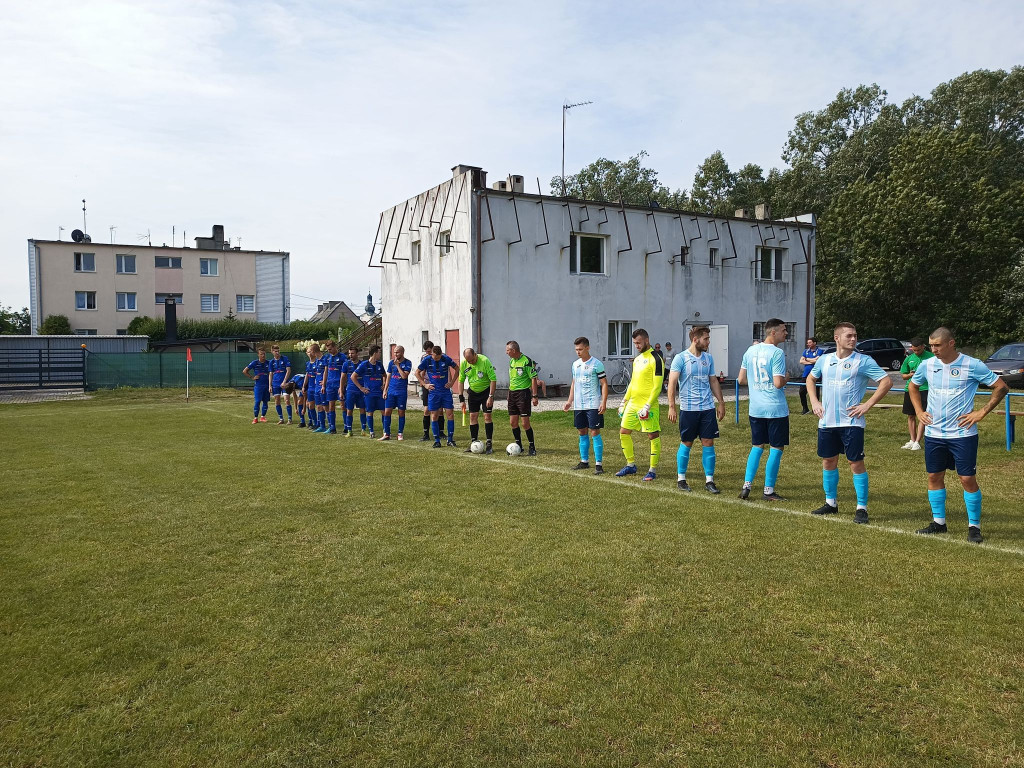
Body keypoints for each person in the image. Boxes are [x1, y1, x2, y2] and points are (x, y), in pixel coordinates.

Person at [910, 327, 1008, 544]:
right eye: (931, 345)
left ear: (951, 343)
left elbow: (1001, 387)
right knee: (934, 477)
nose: (933, 350)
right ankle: (939, 522)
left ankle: (974, 526)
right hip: (934, 433)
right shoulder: (927, 364)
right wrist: (918, 411)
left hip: (962, 434)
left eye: (937, 345)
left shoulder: (972, 364)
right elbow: (913, 386)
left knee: (967, 479)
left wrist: (981, 412)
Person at [806, 322, 892, 524]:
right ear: (837, 338)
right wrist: (814, 401)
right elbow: (811, 379)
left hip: (851, 422)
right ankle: (831, 503)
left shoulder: (863, 361)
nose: (853, 339)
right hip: (827, 422)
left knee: (855, 462)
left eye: (855, 336)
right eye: (849, 336)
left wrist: (868, 404)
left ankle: (861, 508)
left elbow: (886, 381)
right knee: (828, 461)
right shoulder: (825, 360)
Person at [667, 325, 726, 493]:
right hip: (689, 409)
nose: (708, 342)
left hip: (707, 408)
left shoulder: (709, 358)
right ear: (695, 339)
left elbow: (713, 381)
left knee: (708, 442)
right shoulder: (680, 358)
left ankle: (709, 480)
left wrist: (720, 402)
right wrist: (672, 407)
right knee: (687, 442)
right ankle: (681, 479)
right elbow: (672, 383)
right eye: (706, 339)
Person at [737, 318, 789, 500]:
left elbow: (741, 380)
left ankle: (747, 485)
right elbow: (777, 383)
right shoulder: (777, 353)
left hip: (756, 408)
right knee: (776, 447)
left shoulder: (750, 350)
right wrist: (786, 378)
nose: (787, 333)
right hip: (775, 408)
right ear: (773, 332)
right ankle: (768, 489)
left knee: (757, 446)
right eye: (784, 330)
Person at [615, 328, 664, 481]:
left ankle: (652, 470)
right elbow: (632, 383)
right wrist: (624, 401)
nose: (636, 345)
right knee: (624, 432)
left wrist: (648, 405)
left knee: (652, 435)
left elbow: (657, 386)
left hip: (648, 405)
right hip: (633, 403)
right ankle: (631, 465)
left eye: (638, 342)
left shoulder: (656, 359)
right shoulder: (637, 360)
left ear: (646, 341)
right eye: (634, 343)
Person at [562, 336, 608, 473]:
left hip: (593, 404)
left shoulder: (597, 364)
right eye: (576, 349)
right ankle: (584, 461)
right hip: (579, 406)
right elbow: (574, 383)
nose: (578, 352)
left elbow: (604, 383)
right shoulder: (575, 364)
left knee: (594, 432)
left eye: (580, 349)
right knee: (582, 432)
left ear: (587, 348)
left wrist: (603, 402)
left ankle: (598, 464)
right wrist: (570, 401)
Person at [416, 345, 459, 447]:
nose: (437, 359)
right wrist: (425, 384)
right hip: (434, 393)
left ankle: (450, 439)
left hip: (445, 392)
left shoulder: (446, 358)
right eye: (435, 357)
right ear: (432, 354)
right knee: (434, 415)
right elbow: (417, 372)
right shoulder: (427, 360)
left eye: (439, 357)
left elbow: (457, 368)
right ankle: (437, 440)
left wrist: (452, 382)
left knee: (450, 414)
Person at [459, 347, 497, 453]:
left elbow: (493, 379)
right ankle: (474, 442)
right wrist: (461, 398)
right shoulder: (464, 364)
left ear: (475, 354)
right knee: (473, 417)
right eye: (468, 361)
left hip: (486, 392)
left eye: (472, 360)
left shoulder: (484, 361)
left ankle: (489, 443)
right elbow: (461, 381)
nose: (471, 362)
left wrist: (491, 396)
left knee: (487, 416)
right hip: (473, 393)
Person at [505, 340, 540, 455]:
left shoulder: (527, 361)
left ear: (514, 350)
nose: (506, 353)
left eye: (508, 350)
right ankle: (518, 445)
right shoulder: (511, 361)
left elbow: (533, 378)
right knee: (513, 422)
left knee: (525, 423)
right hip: (512, 393)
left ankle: (532, 446)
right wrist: (509, 392)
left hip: (523, 394)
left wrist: (534, 396)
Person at [900, 337, 933, 450]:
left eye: (918, 350)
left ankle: (918, 441)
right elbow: (903, 375)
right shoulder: (909, 358)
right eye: (914, 350)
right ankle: (912, 439)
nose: (916, 352)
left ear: (923, 346)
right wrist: (910, 375)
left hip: (925, 389)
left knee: (923, 415)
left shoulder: (931, 357)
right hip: (910, 389)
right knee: (911, 415)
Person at [352, 345, 386, 439]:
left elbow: (385, 375)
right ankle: (371, 431)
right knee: (370, 412)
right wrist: (361, 388)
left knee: (384, 411)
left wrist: (384, 385)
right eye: (379, 352)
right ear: (375, 353)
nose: (380, 354)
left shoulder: (379, 364)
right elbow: (353, 376)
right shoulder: (364, 364)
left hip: (379, 393)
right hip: (369, 393)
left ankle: (385, 430)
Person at [381, 346, 412, 440]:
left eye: (397, 352)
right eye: (394, 352)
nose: (395, 354)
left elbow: (404, 376)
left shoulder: (407, 363)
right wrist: (385, 390)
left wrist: (398, 365)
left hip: (401, 391)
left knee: (401, 412)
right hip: (391, 391)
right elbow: (388, 377)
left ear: (402, 352)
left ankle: (400, 433)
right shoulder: (391, 363)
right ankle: (386, 433)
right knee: (387, 411)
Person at [319, 339, 348, 435]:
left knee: (343, 405)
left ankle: (346, 427)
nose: (329, 351)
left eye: (330, 349)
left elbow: (345, 373)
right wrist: (323, 384)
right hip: (330, 385)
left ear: (335, 347)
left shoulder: (343, 357)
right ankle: (332, 427)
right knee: (331, 406)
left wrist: (342, 386)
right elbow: (326, 372)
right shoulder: (327, 358)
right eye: (328, 350)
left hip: (339, 385)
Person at [342, 346, 367, 436]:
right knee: (349, 410)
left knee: (362, 409)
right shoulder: (346, 364)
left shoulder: (362, 364)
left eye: (352, 353)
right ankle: (349, 431)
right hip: (350, 390)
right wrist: (341, 390)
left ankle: (363, 430)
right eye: (349, 353)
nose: (350, 355)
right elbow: (343, 378)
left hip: (361, 390)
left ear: (357, 354)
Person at [242, 347, 271, 423]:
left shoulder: (269, 363)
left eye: (264, 354)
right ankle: (255, 418)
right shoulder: (254, 363)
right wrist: (252, 377)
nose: (263, 355)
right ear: (258, 355)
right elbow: (245, 371)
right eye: (261, 354)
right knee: (257, 401)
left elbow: (272, 373)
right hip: (258, 386)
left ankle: (263, 417)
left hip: (267, 385)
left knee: (265, 401)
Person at [268, 344, 293, 424]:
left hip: (285, 383)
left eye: (278, 351)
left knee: (287, 400)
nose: (277, 352)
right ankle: (281, 419)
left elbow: (288, 370)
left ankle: (289, 419)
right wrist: (270, 385)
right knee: (277, 400)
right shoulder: (271, 362)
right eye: (275, 351)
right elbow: (271, 374)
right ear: (272, 352)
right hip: (275, 384)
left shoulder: (284, 359)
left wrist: (284, 381)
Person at [798, 337, 822, 415]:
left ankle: (816, 409)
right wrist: (812, 361)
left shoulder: (820, 351)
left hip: (816, 375)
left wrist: (807, 359)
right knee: (801, 392)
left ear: (814, 343)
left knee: (816, 393)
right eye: (807, 342)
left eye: (810, 342)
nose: (808, 344)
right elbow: (801, 361)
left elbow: (817, 360)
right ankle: (805, 409)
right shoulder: (806, 351)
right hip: (805, 375)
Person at [418, 340, 435, 441]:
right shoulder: (424, 358)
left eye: (430, 351)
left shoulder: (440, 356)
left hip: (437, 384)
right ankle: (426, 434)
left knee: (439, 410)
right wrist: (422, 382)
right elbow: (422, 370)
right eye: (427, 351)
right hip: (427, 385)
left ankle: (441, 432)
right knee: (426, 409)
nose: (428, 353)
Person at [301, 344, 320, 430]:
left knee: (319, 406)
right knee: (310, 405)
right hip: (310, 387)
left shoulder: (317, 362)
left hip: (317, 387)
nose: (309, 353)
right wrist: (304, 386)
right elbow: (307, 375)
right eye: (308, 351)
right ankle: (314, 422)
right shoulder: (308, 364)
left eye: (310, 351)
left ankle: (319, 423)